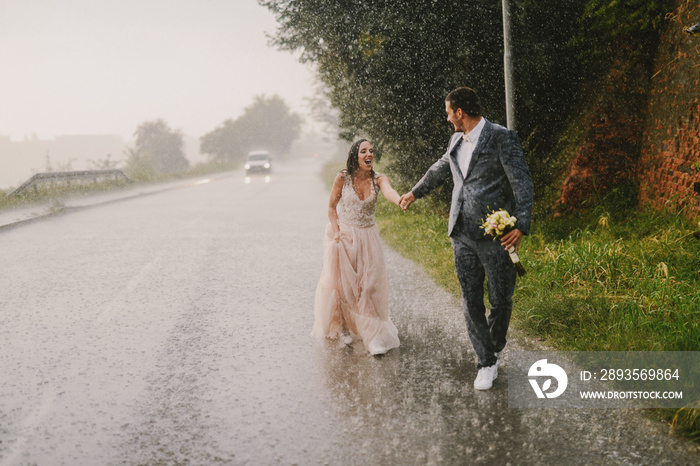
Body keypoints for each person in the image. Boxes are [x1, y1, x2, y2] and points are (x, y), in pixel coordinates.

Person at [399, 87, 533, 389]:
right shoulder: (455, 140)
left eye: (449, 112)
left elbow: (522, 181)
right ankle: (485, 361)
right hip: (461, 232)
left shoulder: (501, 137)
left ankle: (495, 346)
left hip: (495, 235)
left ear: (460, 112)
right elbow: (441, 168)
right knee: (470, 298)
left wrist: (521, 225)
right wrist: (415, 192)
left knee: (501, 299)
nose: (448, 118)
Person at [312, 139, 402, 356]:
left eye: (371, 151)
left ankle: (373, 337)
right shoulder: (343, 177)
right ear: (355, 155)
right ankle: (343, 328)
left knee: (369, 286)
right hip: (344, 237)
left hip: (369, 237)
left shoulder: (378, 179)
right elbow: (332, 207)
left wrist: (399, 200)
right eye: (364, 151)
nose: (369, 154)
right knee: (344, 288)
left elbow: (389, 191)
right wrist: (335, 231)